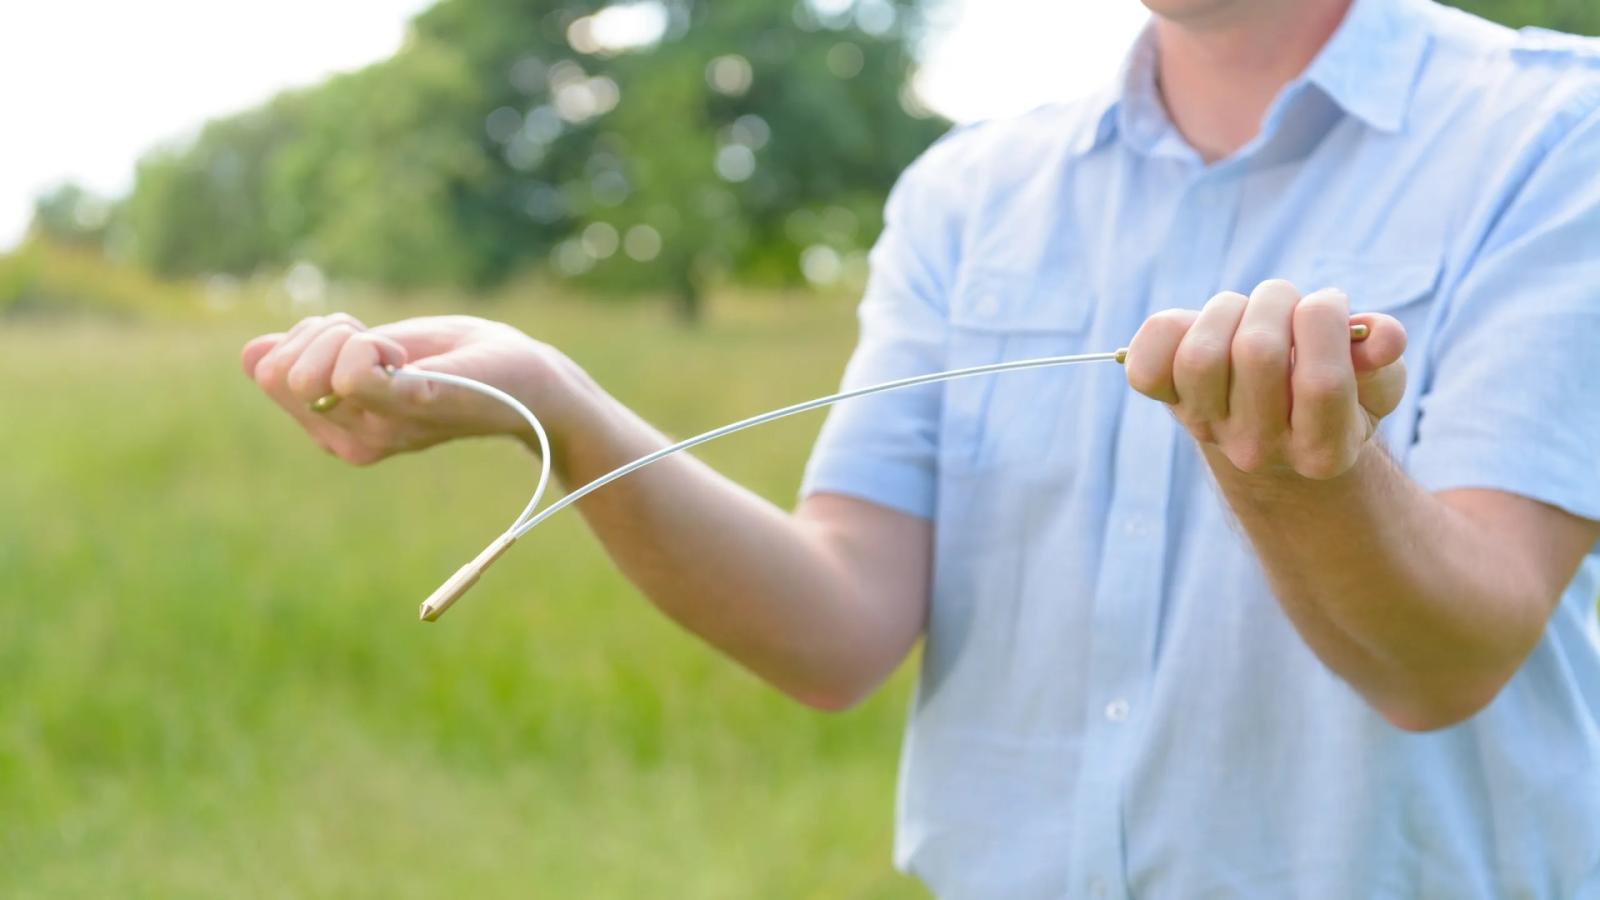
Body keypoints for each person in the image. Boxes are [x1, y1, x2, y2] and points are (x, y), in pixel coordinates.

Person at [242, 0, 1600, 894]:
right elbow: (837, 627)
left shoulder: (1562, 132)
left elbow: (1451, 654)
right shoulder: (969, 193)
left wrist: (1296, 479)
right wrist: (564, 412)